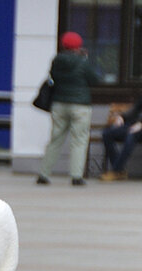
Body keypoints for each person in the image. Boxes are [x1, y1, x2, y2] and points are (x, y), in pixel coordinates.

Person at [37, 31, 99, 186]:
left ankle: (44, 174)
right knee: (79, 140)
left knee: (55, 139)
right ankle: (76, 176)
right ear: (78, 46)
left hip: (59, 104)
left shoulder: (56, 60)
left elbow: (54, 77)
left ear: (63, 44)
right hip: (80, 105)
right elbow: (95, 80)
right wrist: (84, 58)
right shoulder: (82, 62)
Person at [99, 95, 142, 180]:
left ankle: (115, 171)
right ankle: (120, 171)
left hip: (138, 128)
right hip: (134, 125)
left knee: (131, 135)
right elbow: (135, 109)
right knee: (107, 134)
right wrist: (122, 117)